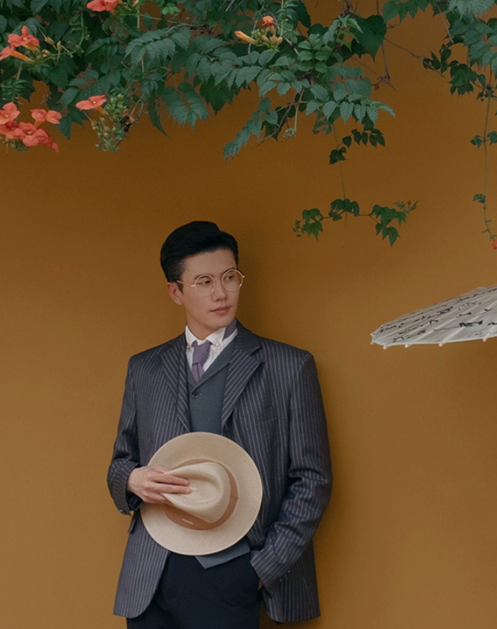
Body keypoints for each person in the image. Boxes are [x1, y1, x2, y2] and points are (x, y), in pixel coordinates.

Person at [108, 221, 332, 628]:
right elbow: (121, 462)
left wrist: (260, 569)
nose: (221, 293)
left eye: (230, 277)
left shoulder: (289, 366)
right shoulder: (145, 369)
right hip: (152, 573)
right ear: (175, 291)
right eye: (205, 281)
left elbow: (312, 479)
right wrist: (131, 480)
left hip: (236, 571)